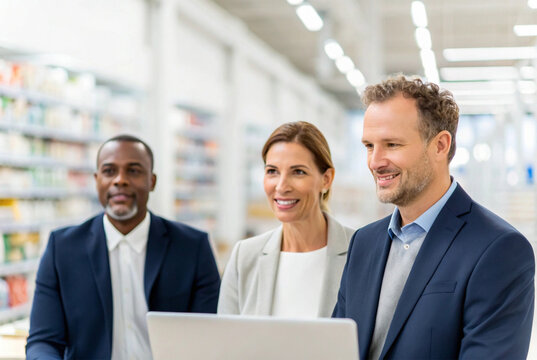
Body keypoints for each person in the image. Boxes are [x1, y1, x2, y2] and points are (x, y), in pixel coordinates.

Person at [333, 75, 535, 359]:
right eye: (369, 145)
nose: (375, 161)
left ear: (440, 146)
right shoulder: (363, 243)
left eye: (392, 144)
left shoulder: (499, 250)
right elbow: (335, 348)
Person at [26, 135, 221, 359]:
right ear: (97, 180)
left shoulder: (192, 249)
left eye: (134, 171)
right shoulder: (62, 249)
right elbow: (43, 341)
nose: (120, 180)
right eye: (109, 171)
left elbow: (207, 338)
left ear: (152, 181)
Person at [218, 121, 355, 318]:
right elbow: (225, 340)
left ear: (326, 179)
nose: (281, 186)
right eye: (272, 171)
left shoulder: (360, 252)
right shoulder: (245, 257)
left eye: (298, 172)